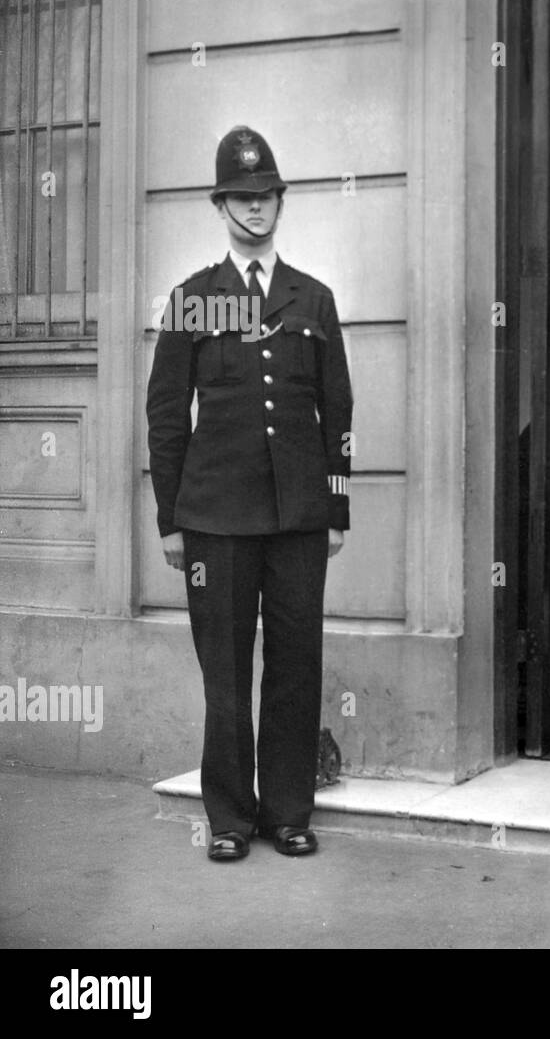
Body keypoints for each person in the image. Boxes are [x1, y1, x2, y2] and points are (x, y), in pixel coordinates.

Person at [147, 126, 353, 862]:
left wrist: (335, 507)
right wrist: (171, 521)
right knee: (226, 672)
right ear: (221, 204)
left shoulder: (314, 298)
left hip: (298, 517)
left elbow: (340, 410)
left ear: (280, 202)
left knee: (296, 664)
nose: (256, 208)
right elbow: (166, 415)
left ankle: (289, 811)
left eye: (266, 195)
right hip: (214, 520)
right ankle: (230, 819)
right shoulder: (193, 299)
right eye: (242, 196)